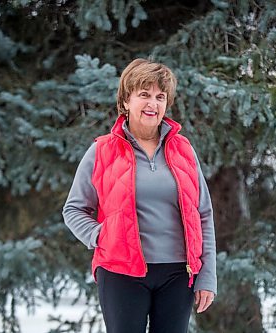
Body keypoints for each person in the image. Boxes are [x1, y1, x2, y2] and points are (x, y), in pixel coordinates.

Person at [62, 58, 217, 333]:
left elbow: (203, 213)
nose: (153, 104)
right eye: (144, 95)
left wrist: (207, 276)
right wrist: (101, 236)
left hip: (178, 274)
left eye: (160, 97)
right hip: (121, 272)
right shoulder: (101, 151)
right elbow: (74, 209)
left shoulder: (183, 150)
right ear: (125, 101)